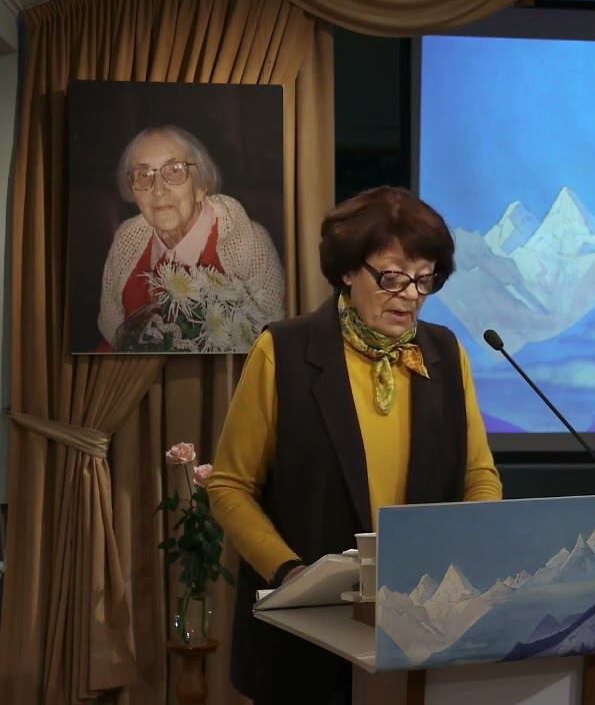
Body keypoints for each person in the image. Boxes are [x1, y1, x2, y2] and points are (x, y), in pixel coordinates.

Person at [207, 186, 503, 704]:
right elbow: (230, 486)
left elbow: (478, 475)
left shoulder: (444, 352)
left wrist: (472, 548)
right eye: (392, 277)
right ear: (348, 270)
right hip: (308, 632)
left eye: (425, 279)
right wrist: (292, 573)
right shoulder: (285, 351)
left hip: (423, 628)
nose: (410, 295)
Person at [98, 124, 284, 352]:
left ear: (201, 185)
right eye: (143, 175)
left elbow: (272, 343)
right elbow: (112, 340)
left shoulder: (249, 243)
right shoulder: (125, 243)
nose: (158, 190)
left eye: (174, 171)